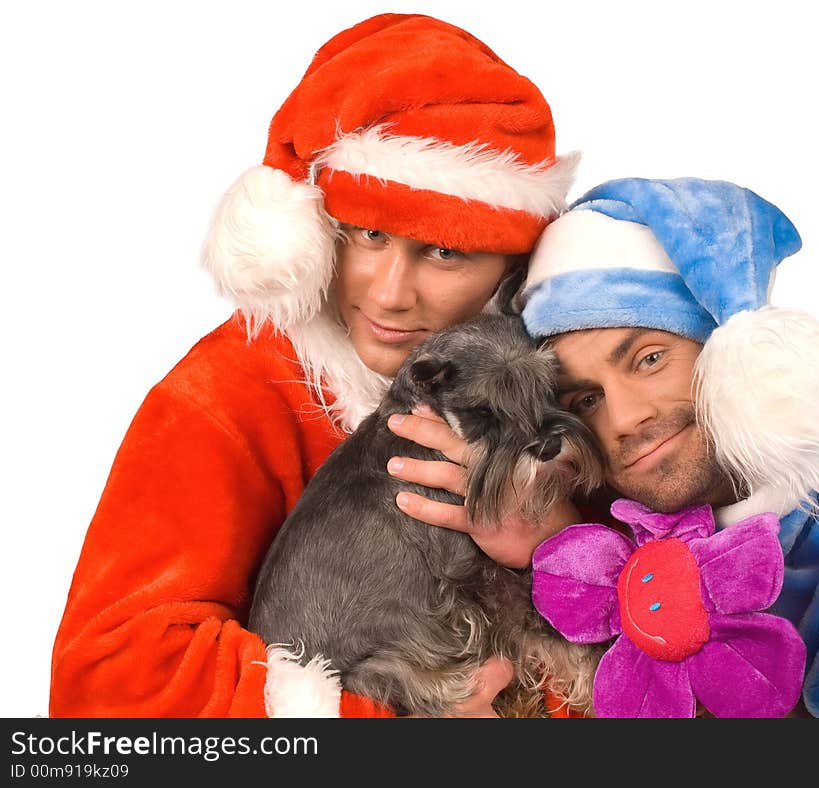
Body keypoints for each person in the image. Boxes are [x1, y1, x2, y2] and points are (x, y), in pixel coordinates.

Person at [49, 12, 580, 718]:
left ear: (512, 266)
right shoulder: (218, 399)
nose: (389, 295)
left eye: (444, 251)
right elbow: (109, 683)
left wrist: (553, 549)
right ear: (316, 227)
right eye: (368, 235)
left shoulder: (549, 398)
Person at [392, 177, 819, 717]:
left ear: (728, 346)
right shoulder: (649, 532)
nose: (624, 419)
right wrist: (557, 547)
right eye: (585, 399)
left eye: (649, 359)